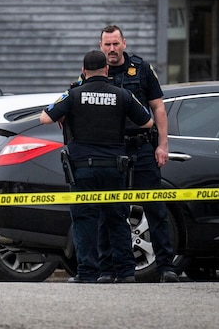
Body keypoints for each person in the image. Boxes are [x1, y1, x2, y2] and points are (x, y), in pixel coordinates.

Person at [40, 50, 153, 284]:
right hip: (114, 167)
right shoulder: (122, 95)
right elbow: (147, 121)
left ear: (83, 72)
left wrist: (65, 116)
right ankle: (125, 272)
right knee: (117, 219)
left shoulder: (72, 95)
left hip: (82, 169)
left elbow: (45, 118)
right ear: (107, 70)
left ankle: (88, 273)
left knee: (84, 221)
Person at [95, 24, 179, 283]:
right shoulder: (95, 70)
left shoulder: (141, 69)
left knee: (154, 207)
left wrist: (162, 145)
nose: (112, 49)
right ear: (101, 46)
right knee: (109, 208)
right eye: (107, 44)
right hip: (111, 149)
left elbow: (158, 108)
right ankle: (108, 269)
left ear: (124, 43)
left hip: (142, 147)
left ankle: (166, 267)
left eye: (115, 44)